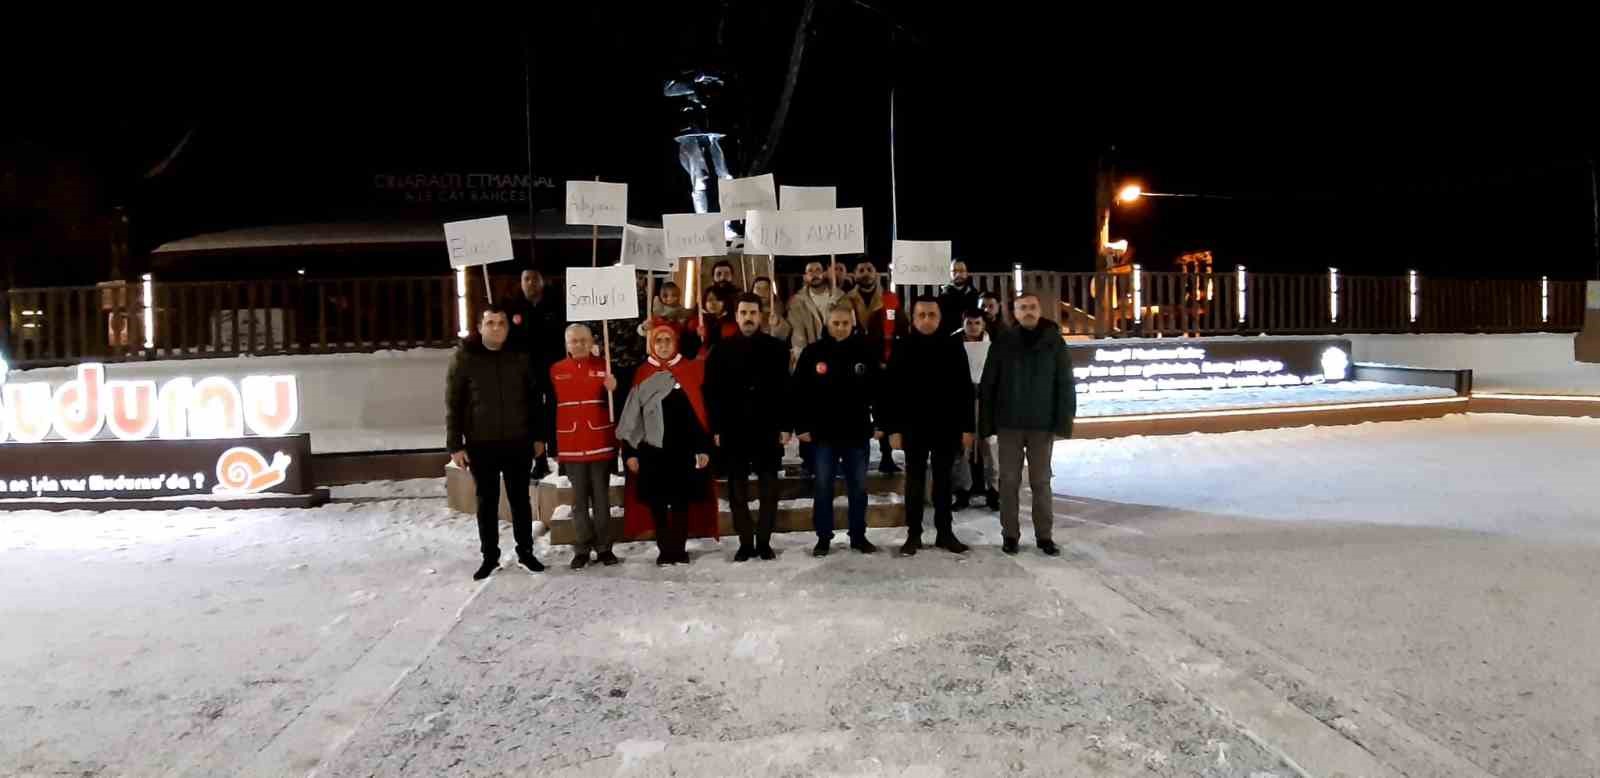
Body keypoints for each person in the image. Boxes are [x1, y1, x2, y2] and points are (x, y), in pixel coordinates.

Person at [446, 305, 548, 580]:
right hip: (482, 442)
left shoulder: (520, 356)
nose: (496, 328)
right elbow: (453, 404)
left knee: (520, 500)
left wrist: (539, 436)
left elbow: (535, 399)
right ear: (480, 327)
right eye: (490, 323)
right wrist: (455, 444)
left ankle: (526, 552)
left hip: (518, 440)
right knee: (487, 501)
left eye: (501, 322)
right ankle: (489, 556)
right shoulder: (466, 358)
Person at [979, 292, 1076, 557]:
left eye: (1032, 306)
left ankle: (1044, 536)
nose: (1028, 311)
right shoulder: (1003, 341)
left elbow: (1065, 383)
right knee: (1008, 482)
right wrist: (986, 425)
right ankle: (1010, 535)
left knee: (1041, 482)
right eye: (1023, 308)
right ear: (1015, 312)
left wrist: (1063, 422)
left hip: (1041, 424)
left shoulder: (1054, 342)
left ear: (1040, 309)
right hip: (1009, 423)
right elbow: (989, 385)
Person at [882, 297, 974, 555]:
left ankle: (945, 532)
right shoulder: (902, 347)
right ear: (913, 318)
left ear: (940, 317)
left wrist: (968, 428)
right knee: (915, 482)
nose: (926, 319)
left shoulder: (953, 346)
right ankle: (914, 534)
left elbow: (964, 390)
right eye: (921, 314)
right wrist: (894, 429)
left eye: (931, 314)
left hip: (946, 426)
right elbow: (891, 392)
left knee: (944, 482)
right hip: (913, 427)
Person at [617, 325, 715, 565]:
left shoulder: (687, 371)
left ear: (675, 343)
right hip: (652, 451)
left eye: (667, 340)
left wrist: (703, 447)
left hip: (682, 450)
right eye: (658, 340)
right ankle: (664, 549)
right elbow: (632, 417)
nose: (662, 345)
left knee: (681, 502)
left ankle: (679, 549)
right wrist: (630, 452)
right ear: (652, 344)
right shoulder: (642, 373)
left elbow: (699, 414)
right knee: (657, 503)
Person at [791, 303, 881, 557]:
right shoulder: (812, 353)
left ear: (852, 324)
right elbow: (798, 392)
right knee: (822, 488)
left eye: (845, 323)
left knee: (859, 488)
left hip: (856, 432)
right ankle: (823, 537)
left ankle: (858, 535)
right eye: (835, 323)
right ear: (827, 325)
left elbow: (879, 390)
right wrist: (802, 426)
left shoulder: (865, 352)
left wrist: (881, 422)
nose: (840, 328)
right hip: (822, 435)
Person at [706, 293, 790, 561]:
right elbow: (712, 392)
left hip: (767, 429)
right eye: (743, 313)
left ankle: (764, 541)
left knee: (769, 490)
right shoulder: (721, 350)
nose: (748, 318)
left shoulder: (776, 348)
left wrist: (785, 425)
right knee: (737, 491)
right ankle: (745, 541)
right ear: (736, 315)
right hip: (734, 430)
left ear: (761, 315)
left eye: (753, 313)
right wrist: (717, 428)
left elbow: (784, 391)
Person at [549, 324, 621, 570]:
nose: (578, 345)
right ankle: (582, 547)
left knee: (601, 499)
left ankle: (604, 547)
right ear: (567, 344)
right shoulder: (556, 370)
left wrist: (614, 389)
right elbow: (549, 407)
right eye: (573, 341)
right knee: (578, 501)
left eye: (583, 340)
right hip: (571, 444)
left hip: (598, 443)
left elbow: (617, 405)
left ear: (591, 342)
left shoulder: (605, 367)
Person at [504, 269, 564, 478]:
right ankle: (538, 460)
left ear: (543, 281)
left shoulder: (556, 303)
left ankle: (559, 455)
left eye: (535, 279)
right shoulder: (512, 307)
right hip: (526, 371)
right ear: (521, 282)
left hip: (554, 367)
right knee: (532, 412)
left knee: (556, 409)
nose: (531, 283)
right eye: (526, 279)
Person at [846, 259, 903, 474]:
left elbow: (900, 325)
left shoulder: (889, 299)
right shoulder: (846, 299)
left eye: (870, 269)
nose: (866, 273)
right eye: (861, 270)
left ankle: (886, 455)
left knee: (884, 409)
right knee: (856, 409)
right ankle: (856, 458)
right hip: (856, 361)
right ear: (855, 273)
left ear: (876, 273)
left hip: (883, 363)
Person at [951, 309, 999, 511]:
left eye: (976, 323)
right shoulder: (953, 343)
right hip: (962, 401)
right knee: (963, 448)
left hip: (988, 401)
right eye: (969, 323)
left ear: (983, 324)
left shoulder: (994, 343)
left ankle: (994, 491)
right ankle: (962, 491)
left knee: (991, 447)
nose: (973, 327)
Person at [786, 260, 843, 359]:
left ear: (824, 274)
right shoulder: (797, 302)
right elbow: (798, 335)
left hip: (836, 353)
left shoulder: (839, 297)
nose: (814, 274)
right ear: (805, 277)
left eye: (818, 270)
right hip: (811, 355)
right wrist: (804, 357)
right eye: (810, 271)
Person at [937, 260, 982, 336]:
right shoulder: (943, 296)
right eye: (954, 271)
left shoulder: (974, 294)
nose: (958, 274)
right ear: (950, 273)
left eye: (961, 271)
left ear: (966, 273)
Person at [697, 286, 739, 353]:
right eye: (710, 300)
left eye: (718, 299)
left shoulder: (733, 322)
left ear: (725, 301)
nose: (713, 303)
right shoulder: (699, 321)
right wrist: (697, 336)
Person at [751, 276, 791, 342]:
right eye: (758, 288)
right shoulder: (746, 309)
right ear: (752, 291)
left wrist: (777, 324)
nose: (762, 292)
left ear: (771, 292)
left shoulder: (780, 310)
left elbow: (785, 335)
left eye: (766, 289)